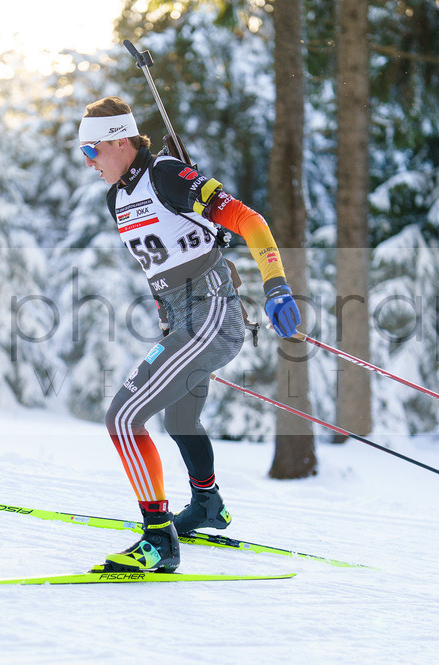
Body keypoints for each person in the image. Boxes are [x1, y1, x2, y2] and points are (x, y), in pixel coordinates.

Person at [79, 96, 301, 573]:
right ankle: (207, 506)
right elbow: (165, 262)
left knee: (123, 417)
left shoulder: (167, 175)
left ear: (120, 140)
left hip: (211, 315)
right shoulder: (116, 196)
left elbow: (249, 221)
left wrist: (276, 284)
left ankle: (158, 541)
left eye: (91, 151)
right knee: (179, 417)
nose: (89, 163)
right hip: (183, 319)